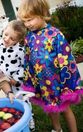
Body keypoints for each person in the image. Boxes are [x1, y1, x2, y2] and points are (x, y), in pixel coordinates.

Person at [17, 0, 83, 132]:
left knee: (65, 108)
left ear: (41, 14)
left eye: (30, 20)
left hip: (58, 81)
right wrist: (30, 82)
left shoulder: (55, 35)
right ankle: (57, 129)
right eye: (24, 21)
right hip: (43, 82)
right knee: (50, 107)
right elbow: (28, 59)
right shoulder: (29, 37)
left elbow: (66, 59)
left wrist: (67, 83)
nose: (27, 24)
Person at [0, 20, 36, 131]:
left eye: (12, 39)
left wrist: (16, 79)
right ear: (4, 30)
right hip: (2, 79)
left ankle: (28, 117)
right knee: (9, 100)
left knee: (22, 99)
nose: (7, 39)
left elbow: (25, 67)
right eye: (6, 35)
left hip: (15, 82)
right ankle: (15, 118)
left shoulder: (20, 51)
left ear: (18, 40)